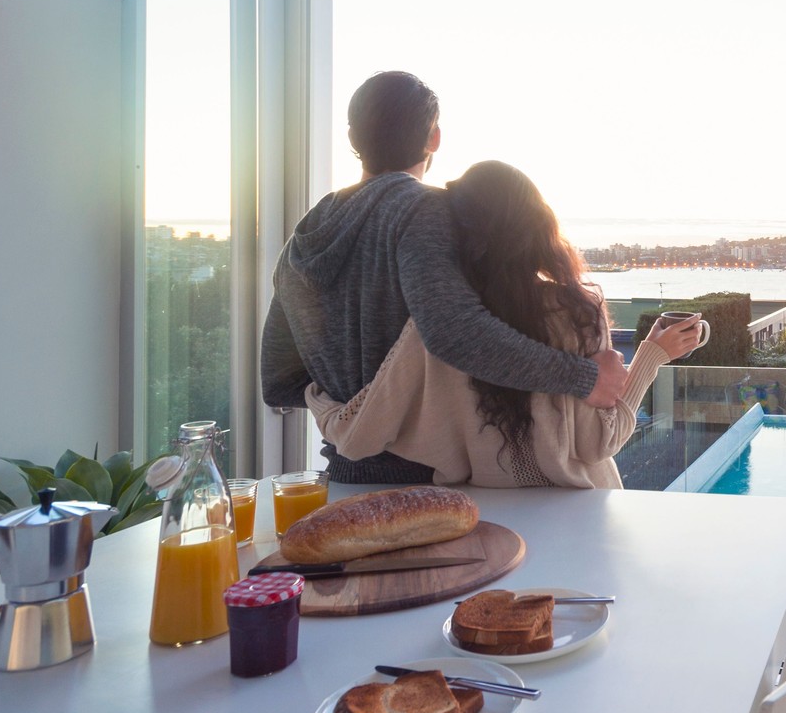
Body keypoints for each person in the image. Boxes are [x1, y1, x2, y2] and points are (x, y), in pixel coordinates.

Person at [261, 72, 629, 482]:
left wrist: (352, 399)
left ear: (352, 137)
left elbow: (279, 382)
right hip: (434, 482)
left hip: (345, 478)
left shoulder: (301, 240)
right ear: (434, 138)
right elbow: (456, 333)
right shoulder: (425, 210)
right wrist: (584, 378)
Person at [305, 160, 706, 488]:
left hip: (489, 517)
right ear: (539, 227)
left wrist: (317, 396)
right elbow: (601, 441)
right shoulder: (574, 312)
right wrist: (651, 358)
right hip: (578, 512)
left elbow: (361, 431)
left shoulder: (437, 330)